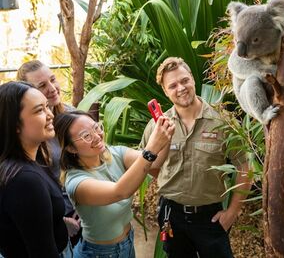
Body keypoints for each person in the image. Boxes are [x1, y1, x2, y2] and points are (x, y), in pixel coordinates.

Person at [140, 57, 252, 258]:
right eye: (172, 85)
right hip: (171, 215)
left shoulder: (223, 121)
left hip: (210, 217)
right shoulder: (157, 127)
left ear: (192, 79)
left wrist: (233, 211)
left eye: (184, 80)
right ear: (165, 91)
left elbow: (245, 165)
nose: (180, 88)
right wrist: (170, 180)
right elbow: (147, 165)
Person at [54, 110, 175, 258]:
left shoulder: (115, 154)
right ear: (71, 148)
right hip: (99, 253)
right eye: (86, 135)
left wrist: (166, 135)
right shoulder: (76, 182)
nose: (97, 136)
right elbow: (120, 191)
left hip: (128, 243)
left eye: (96, 127)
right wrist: (151, 148)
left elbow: (155, 162)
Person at [0, 81, 69, 257]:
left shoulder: (32, 160)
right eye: (39, 110)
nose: (50, 115)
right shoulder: (24, 181)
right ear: (15, 124)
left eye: (47, 106)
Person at [17, 60, 81, 242]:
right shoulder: (29, 133)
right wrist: (58, 221)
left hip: (82, 206)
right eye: (42, 85)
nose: (52, 88)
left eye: (53, 79)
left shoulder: (71, 114)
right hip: (55, 217)